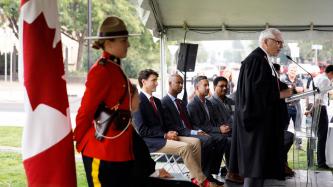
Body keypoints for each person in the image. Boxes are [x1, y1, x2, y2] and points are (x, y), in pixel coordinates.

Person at [73, 16, 141, 186]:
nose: (128, 45)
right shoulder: (101, 71)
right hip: (102, 151)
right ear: (109, 43)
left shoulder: (116, 69)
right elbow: (86, 110)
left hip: (120, 152)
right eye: (124, 40)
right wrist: (80, 140)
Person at [132, 69, 223, 187]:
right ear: (143, 82)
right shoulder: (139, 101)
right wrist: (165, 135)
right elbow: (143, 130)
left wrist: (169, 132)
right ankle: (202, 181)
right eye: (153, 80)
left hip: (164, 137)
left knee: (195, 142)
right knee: (185, 147)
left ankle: (194, 177)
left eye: (156, 80)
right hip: (152, 141)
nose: (157, 83)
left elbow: (164, 124)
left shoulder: (157, 101)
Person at [231, 28, 291, 187]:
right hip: (255, 125)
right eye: (278, 42)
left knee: (259, 170)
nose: (280, 46)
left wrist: (285, 89)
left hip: (261, 125)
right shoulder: (256, 60)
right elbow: (255, 94)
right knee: (254, 170)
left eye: (282, 43)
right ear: (265, 41)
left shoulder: (263, 59)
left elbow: (266, 85)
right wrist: (280, 94)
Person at [161, 73, 225, 185]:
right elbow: (172, 126)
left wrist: (197, 130)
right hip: (178, 134)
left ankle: (207, 173)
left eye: (182, 83)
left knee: (216, 138)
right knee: (208, 139)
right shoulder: (164, 102)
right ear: (170, 84)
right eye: (178, 83)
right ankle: (202, 174)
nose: (181, 85)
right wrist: (194, 131)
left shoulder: (180, 102)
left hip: (188, 131)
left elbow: (190, 123)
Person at [209, 76, 244, 184]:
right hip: (221, 133)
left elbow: (237, 117)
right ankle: (232, 172)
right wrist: (220, 129)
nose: (224, 88)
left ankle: (244, 170)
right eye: (221, 86)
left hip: (234, 130)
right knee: (230, 141)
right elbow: (212, 123)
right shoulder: (210, 103)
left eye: (226, 86)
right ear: (214, 87)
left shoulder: (231, 101)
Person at [306, 65, 333, 169]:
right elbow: (319, 97)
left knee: (312, 135)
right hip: (319, 108)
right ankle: (321, 162)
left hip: (313, 107)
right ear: (331, 73)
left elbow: (310, 94)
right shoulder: (325, 80)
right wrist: (312, 110)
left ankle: (310, 161)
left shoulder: (317, 77)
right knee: (322, 137)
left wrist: (309, 109)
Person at [273, 63, 295, 177]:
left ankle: (283, 163)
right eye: (276, 71)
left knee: (284, 139)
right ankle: (280, 165)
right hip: (274, 119)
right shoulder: (273, 84)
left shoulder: (279, 83)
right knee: (280, 140)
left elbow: (289, 92)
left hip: (282, 116)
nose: (278, 74)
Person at [281, 64, 304, 149]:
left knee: (298, 126)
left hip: (296, 106)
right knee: (284, 126)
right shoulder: (283, 79)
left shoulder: (299, 80)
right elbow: (283, 91)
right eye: (291, 70)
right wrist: (295, 89)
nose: (293, 72)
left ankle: (298, 144)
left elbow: (301, 90)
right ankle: (282, 142)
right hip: (286, 106)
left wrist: (290, 89)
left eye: (294, 71)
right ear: (288, 71)